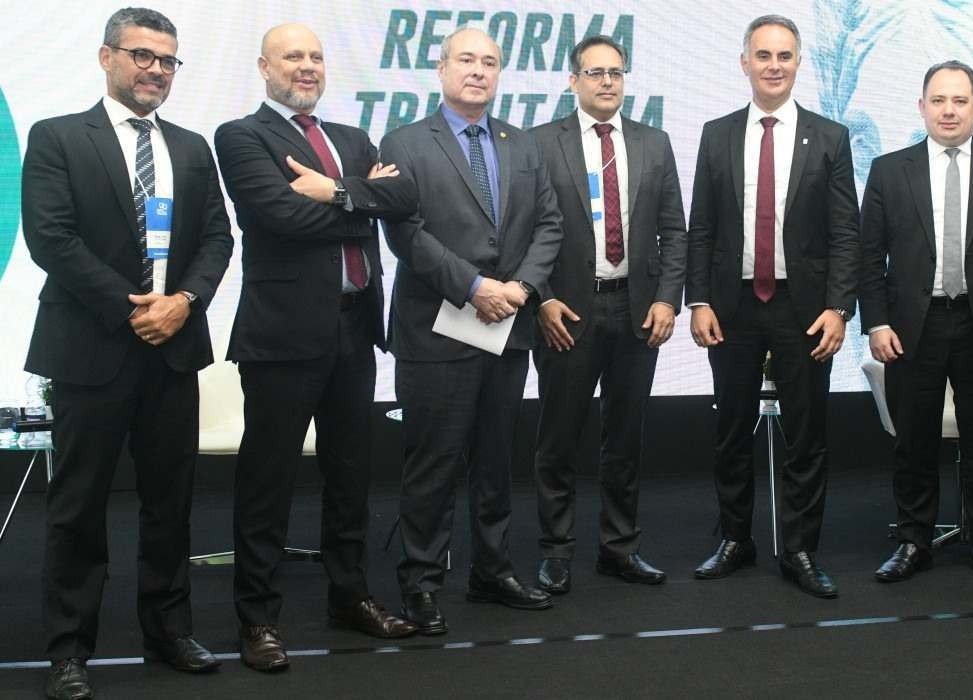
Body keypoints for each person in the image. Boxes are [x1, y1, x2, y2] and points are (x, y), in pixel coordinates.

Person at [289, 26, 563, 632]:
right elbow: (405, 232)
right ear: (441, 69)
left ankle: (492, 570)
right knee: (432, 463)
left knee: (496, 461)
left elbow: (549, 224)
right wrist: (475, 286)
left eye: (489, 62)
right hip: (437, 327)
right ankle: (421, 582)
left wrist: (520, 289)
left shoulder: (522, 143)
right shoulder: (406, 142)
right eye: (466, 59)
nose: (478, 71)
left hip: (507, 325)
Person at [22, 8, 233, 698]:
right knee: (77, 508)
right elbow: (51, 238)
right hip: (91, 350)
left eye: (167, 60)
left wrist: (185, 301)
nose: (156, 71)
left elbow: (218, 239)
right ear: (106, 57)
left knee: (170, 504)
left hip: (173, 349)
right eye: (143, 56)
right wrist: (133, 307)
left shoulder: (191, 147)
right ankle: (68, 650)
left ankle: (169, 632)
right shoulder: (57, 137)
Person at [213, 23, 416, 673]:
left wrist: (335, 191)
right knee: (267, 482)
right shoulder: (241, 136)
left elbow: (402, 197)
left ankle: (350, 596)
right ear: (264, 66)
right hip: (282, 337)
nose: (307, 66)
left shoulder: (352, 139)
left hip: (355, 330)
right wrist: (363, 201)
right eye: (293, 56)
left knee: (350, 476)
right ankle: (258, 618)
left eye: (316, 56)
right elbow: (281, 216)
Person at [686, 14, 859, 598]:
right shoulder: (716, 134)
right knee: (730, 430)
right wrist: (698, 300)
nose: (774, 65)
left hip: (803, 310)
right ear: (745, 63)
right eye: (763, 55)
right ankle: (736, 538)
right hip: (732, 307)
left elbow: (845, 232)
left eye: (785, 55)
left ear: (799, 63)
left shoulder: (829, 137)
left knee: (806, 434)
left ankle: (801, 548)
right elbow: (701, 227)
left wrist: (839, 307)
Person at [859, 61, 973, 586]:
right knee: (913, 441)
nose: (949, 110)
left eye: (960, 101)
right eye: (938, 100)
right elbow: (869, 256)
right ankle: (913, 542)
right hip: (910, 328)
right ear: (921, 107)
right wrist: (876, 322)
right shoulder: (888, 170)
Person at [528, 36, 687, 595]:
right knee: (558, 439)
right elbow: (524, 232)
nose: (606, 82)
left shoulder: (653, 142)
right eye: (595, 72)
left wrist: (667, 299)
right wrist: (541, 298)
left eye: (615, 72)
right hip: (567, 311)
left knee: (625, 439)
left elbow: (675, 231)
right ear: (573, 81)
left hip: (638, 310)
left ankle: (619, 548)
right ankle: (556, 551)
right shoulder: (540, 143)